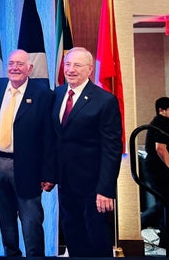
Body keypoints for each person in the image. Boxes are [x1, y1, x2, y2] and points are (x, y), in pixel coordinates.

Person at [52, 47, 122, 257]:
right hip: (65, 182)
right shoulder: (57, 94)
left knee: (97, 237)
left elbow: (112, 148)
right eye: (67, 64)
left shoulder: (105, 100)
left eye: (77, 65)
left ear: (90, 69)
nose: (71, 69)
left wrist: (105, 189)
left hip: (93, 186)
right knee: (73, 235)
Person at [0, 49, 56, 257]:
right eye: (11, 64)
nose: (14, 68)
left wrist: (49, 173)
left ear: (30, 68)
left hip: (29, 168)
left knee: (31, 222)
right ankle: (11, 255)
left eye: (20, 64)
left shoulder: (43, 95)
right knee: (5, 221)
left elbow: (49, 138)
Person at [141, 97, 169, 247]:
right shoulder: (161, 124)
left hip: (156, 169)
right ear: (161, 111)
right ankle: (145, 224)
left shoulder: (160, 123)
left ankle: (165, 237)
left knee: (164, 203)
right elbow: (160, 149)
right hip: (158, 171)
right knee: (165, 204)